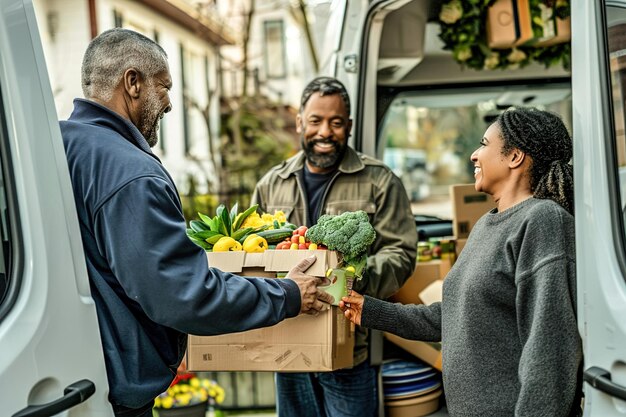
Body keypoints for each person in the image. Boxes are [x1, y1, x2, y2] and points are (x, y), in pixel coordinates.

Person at [60, 28, 332, 417]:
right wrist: (288, 295)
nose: (169, 103)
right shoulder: (131, 173)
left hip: (76, 378)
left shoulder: (59, 147)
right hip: (114, 393)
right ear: (132, 83)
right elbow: (182, 294)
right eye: (164, 86)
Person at [340, 107, 582, 417]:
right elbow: (453, 316)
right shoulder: (487, 224)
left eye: (484, 144)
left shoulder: (543, 221)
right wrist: (371, 311)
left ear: (515, 157)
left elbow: (550, 347)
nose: (473, 155)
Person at [252, 76, 418, 417]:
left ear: (349, 126)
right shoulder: (271, 184)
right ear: (300, 122)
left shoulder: (379, 180)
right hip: (289, 345)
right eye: (315, 121)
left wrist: (350, 278)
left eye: (336, 122)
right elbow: (253, 254)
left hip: (351, 348)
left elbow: (401, 254)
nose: (325, 132)